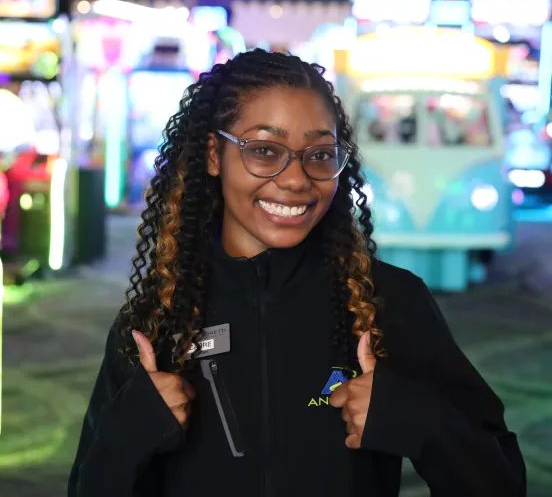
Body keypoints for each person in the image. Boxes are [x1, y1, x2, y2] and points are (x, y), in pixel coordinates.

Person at [68, 50, 526, 497]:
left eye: (320, 154)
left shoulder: (388, 300)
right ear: (213, 154)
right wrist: (125, 435)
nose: (296, 179)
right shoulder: (157, 319)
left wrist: (422, 422)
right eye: (265, 150)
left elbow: (500, 482)